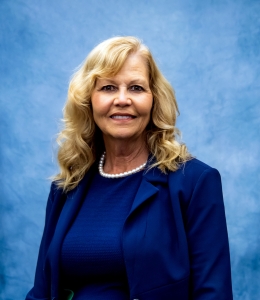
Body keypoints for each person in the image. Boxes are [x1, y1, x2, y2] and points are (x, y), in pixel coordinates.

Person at [26, 36, 233, 300]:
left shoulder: (195, 182)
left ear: (154, 99)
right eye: (108, 88)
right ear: (88, 101)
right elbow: (42, 290)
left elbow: (212, 294)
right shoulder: (66, 186)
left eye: (136, 88)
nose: (122, 99)